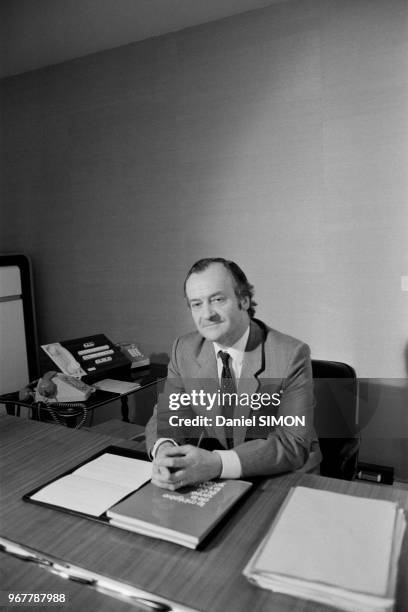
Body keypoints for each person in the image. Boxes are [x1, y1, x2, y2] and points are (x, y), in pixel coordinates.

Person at [145, 258, 321, 490]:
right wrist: (166, 451)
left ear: (244, 300)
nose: (207, 314)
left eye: (217, 299)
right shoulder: (184, 349)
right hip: (210, 474)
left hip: (281, 475)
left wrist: (217, 463)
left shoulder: (291, 354)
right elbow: (168, 415)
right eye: (196, 304)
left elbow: (293, 442)